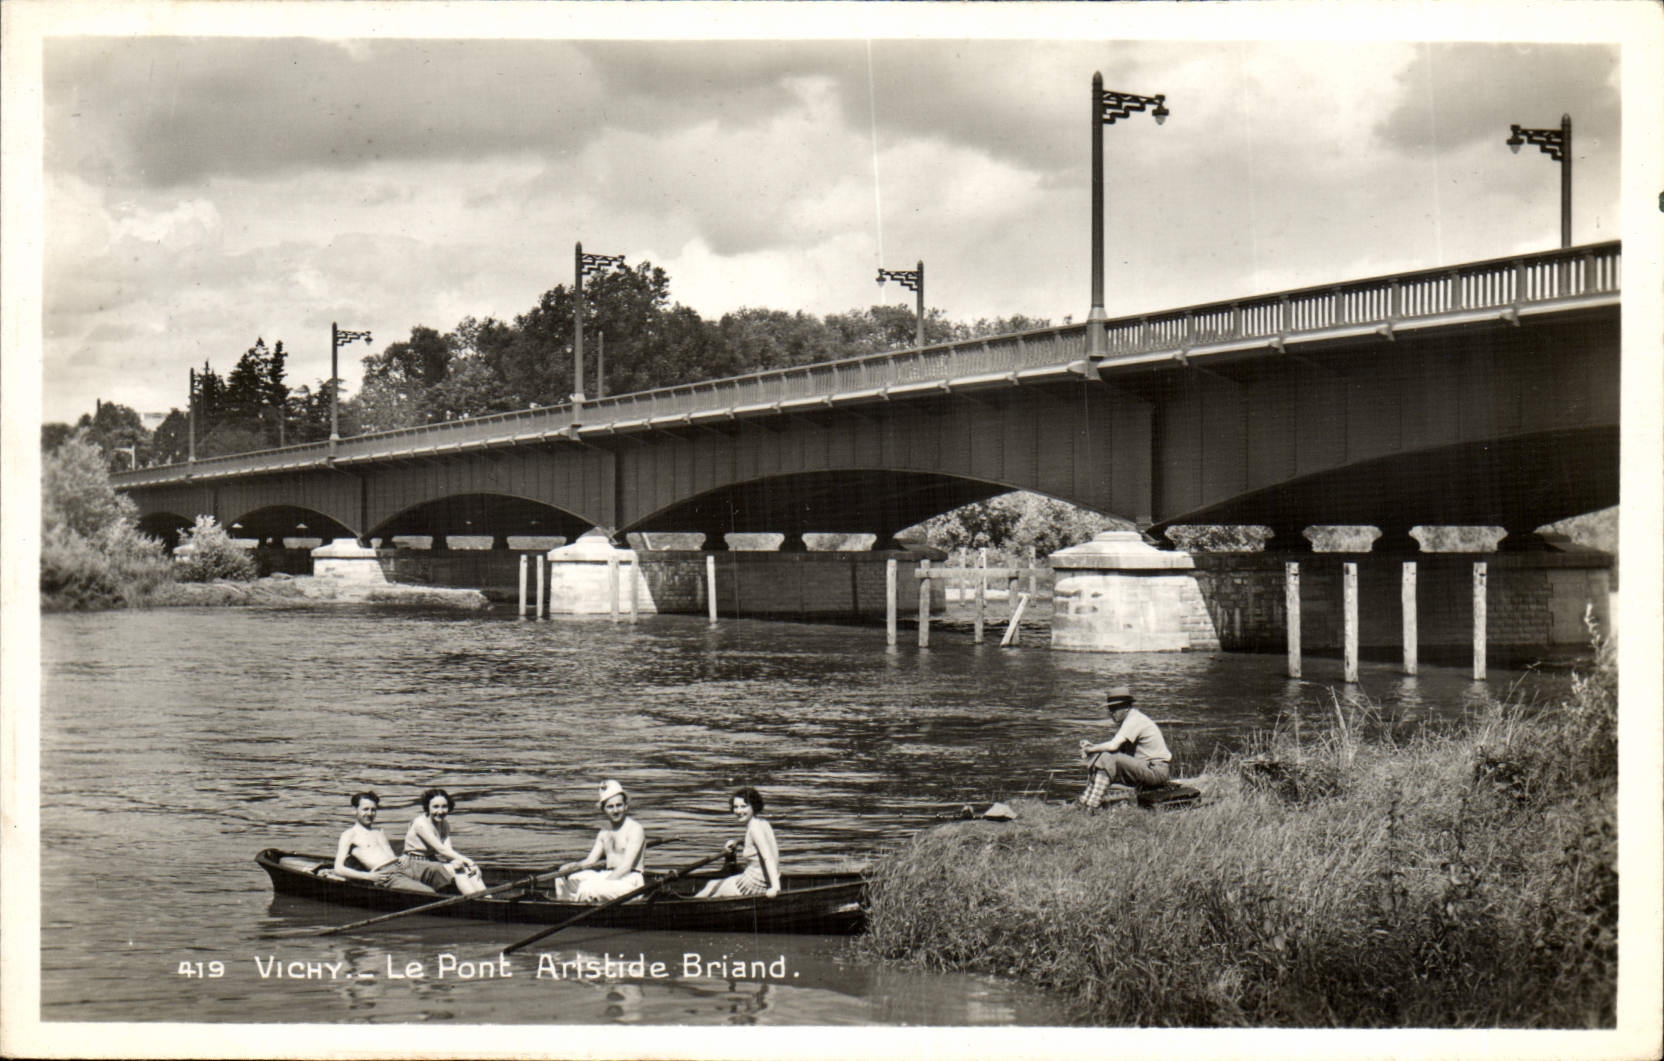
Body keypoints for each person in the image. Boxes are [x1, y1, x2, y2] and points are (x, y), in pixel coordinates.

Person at [333, 790, 453, 893]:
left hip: (402, 865)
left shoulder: (379, 832)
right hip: (386, 875)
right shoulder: (349, 834)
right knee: (427, 892)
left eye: (373, 810)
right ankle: (444, 904)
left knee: (437, 868)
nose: (369, 814)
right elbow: (338, 868)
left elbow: (390, 852)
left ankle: (458, 897)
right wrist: (368, 876)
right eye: (365, 809)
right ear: (354, 810)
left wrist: (404, 856)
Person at [1077, 686, 1172, 810]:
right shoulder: (1130, 719)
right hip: (1148, 768)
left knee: (1107, 757)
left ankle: (1092, 805)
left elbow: (1112, 746)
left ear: (1126, 707)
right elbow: (1114, 749)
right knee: (1104, 756)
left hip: (1156, 771)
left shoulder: (1134, 720)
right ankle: (1085, 801)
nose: (1111, 712)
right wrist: (1093, 747)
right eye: (1110, 708)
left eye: (1115, 708)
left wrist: (1090, 749)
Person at [553, 780, 647, 903]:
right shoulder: (604, 832)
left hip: (630, 880)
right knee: (562, 877)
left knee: (587, 888)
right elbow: (590, 861)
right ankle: (567, 909)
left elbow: (626, 867)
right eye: (610, 807)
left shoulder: (635, 829)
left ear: (626, 806)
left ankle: (583, 907)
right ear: (603, 810)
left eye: (619, 805)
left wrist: (602, 883)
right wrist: (574, 866)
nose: (615, 811)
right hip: (608, 875)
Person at [694, 787, 781, 899]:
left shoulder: (754, 829)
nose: (739, 811)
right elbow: (756, 847)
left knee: (712, 893)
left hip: (753, 885)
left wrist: (775, 888)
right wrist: (738, 842)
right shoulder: (762, 823)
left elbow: (768, 858)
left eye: (744, 806)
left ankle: (684, 910)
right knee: (711, 884)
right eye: (736, 807)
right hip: (759, 879)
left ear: (754, 806)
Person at [403, 788, 486, 895]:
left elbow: (448, 851)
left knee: (468, 869)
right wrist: (470, 862)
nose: (440, 811)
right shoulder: (420, 823)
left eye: (444, 806)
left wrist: (469, 865)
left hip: (431, 862)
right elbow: (441, 850)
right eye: (435, 807)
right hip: (414, 864)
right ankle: (474, 901)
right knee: (458, 868)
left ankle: (487, 898)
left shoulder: (444, 824)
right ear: (427, 807)